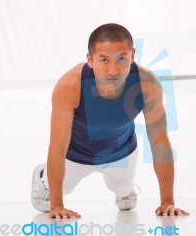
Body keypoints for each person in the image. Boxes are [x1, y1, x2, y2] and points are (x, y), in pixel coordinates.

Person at [31, 23, 189, 219]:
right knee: (44, 204)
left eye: (121, 58)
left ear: (132, 55)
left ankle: (125, 190)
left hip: (120, 153)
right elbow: (57, 146)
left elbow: (159, 142)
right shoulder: (71, 85)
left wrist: (167, 202)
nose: (113, 70)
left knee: (125, 198)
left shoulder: (146, 83)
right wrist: (56, 205)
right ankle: (42, 177)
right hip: (75, 155)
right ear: (90, 59)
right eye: (104, 60)